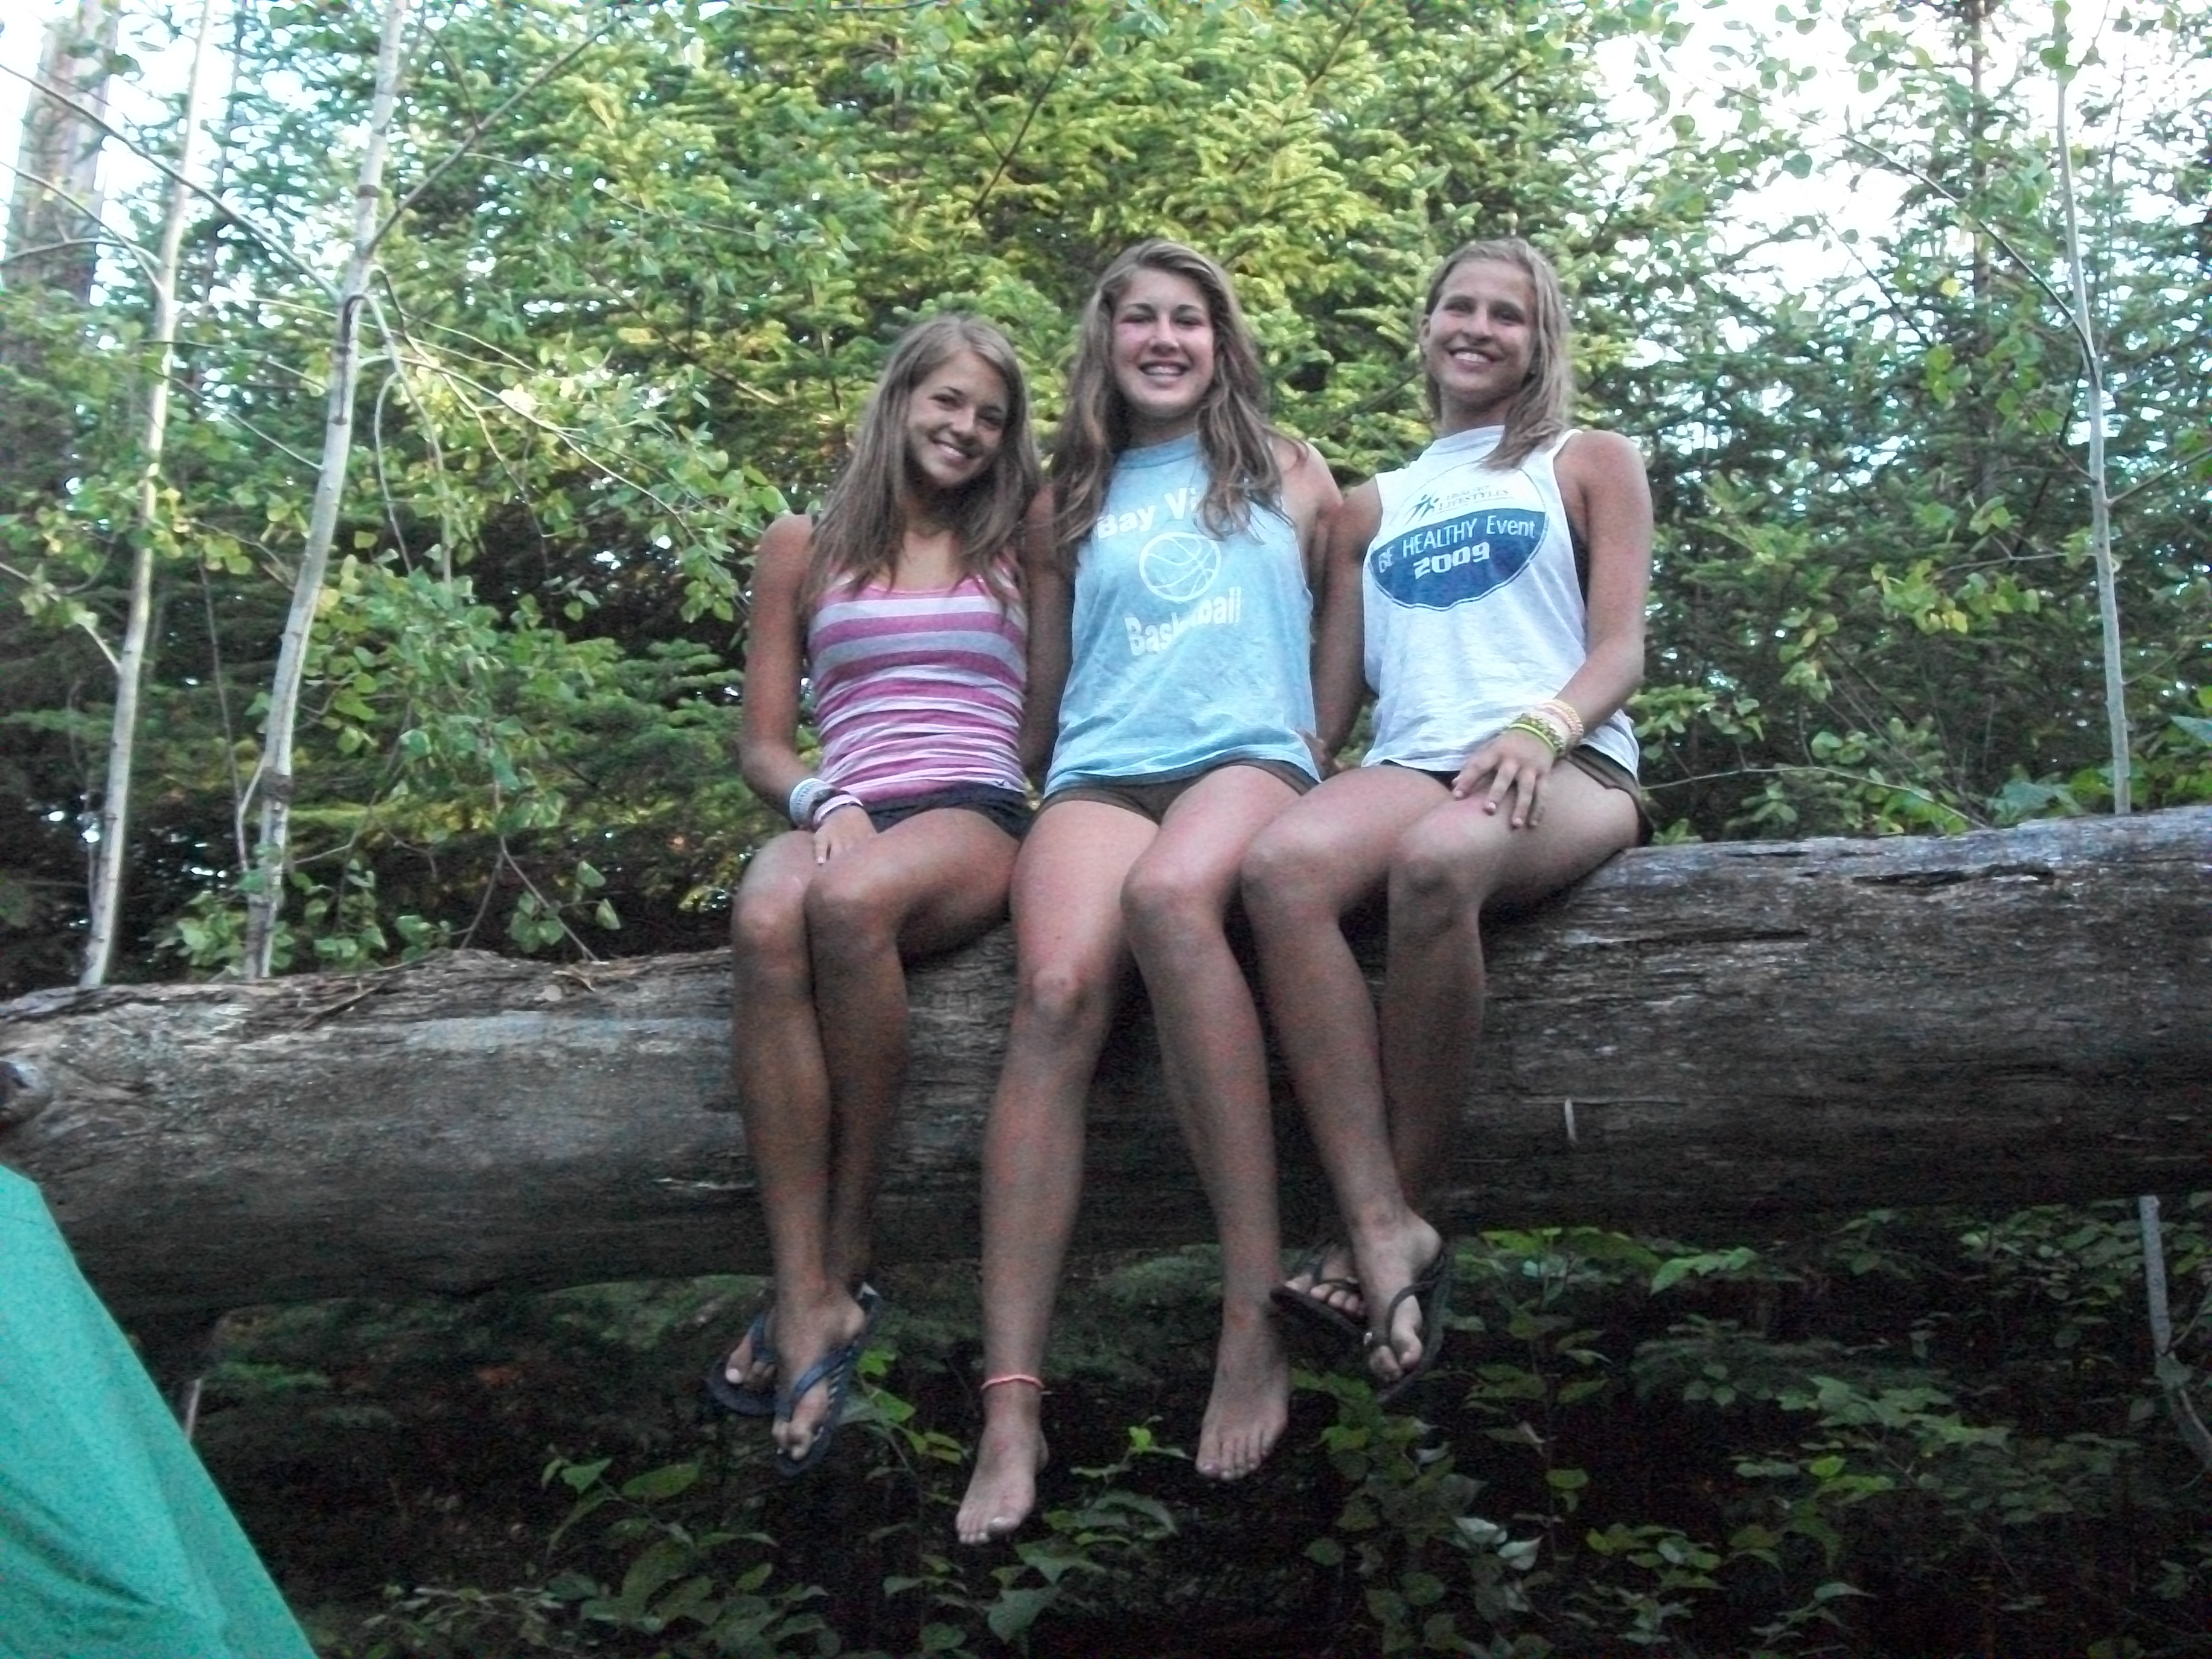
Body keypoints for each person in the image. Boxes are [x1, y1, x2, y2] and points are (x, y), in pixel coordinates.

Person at [954, 240, 1341, 1542]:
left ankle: (1252, 1309)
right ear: (1106, 341)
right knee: (1055, 994)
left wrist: (1319, 751)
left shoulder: (1290, 470)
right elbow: (1045, 686)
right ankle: (1011, 1407)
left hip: (1248, 762)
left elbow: (1349, 625)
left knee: (1172, 898)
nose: (1164, 339)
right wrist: (957, 801)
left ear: (1221, 343)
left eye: (1189, 319)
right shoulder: (1068, 495)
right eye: (1140, 320)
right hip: (1100, 774)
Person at [1242, 237, 1653, 1399]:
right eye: (1458, 308)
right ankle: (1382, 1221)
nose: (1478, 328)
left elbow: (1621, 649)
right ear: (1425, 329)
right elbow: (1327, 713)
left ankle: (1393, 1219)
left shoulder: (1587, 460)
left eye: (1506, 315)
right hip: (1414, 761)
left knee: (1435, 866)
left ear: (1540, 341)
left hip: (1570, 765)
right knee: (1280, 869)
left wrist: (1541, 728)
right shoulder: (1373, 506)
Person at [709, 313, 1046, 1476]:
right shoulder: (801, 545)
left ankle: (843, 1261)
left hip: (973, 811)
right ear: (900, 399)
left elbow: (1053, 705)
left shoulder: (1021, 540)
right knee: (766, 916)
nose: (966, 428)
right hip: (843, 806)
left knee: (849, 908)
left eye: (991, 416)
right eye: (948, 401)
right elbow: (763, 744)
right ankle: (802, 1287)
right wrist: (823, 801)